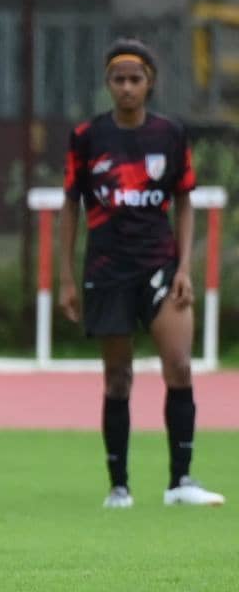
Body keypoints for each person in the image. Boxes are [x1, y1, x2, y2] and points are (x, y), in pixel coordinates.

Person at [59, 38, 225, 509]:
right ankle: (119, 485)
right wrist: (67, 278)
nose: (127, 87)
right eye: (119, 79)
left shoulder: (170, 134)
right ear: (108, 83)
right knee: (118, 377)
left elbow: (185, 199)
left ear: (150, 83)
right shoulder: (87, 137)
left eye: (135, 79)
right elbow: (70, 205)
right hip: (108, 270)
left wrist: (185, 268)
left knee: (179, 365)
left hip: (159, 266)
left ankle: (181, 481)